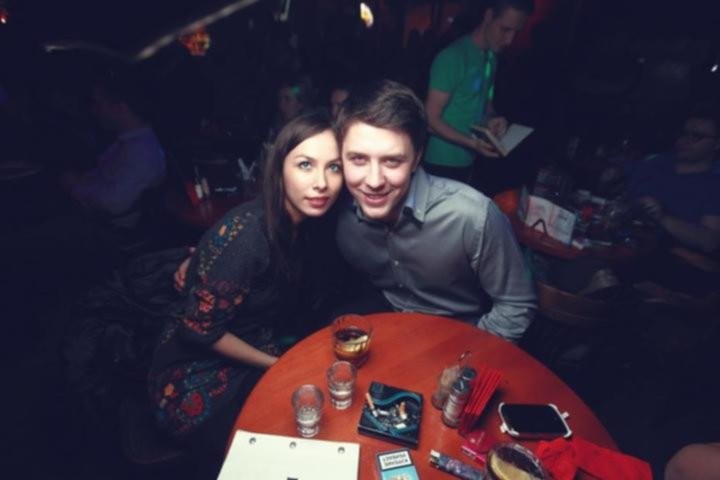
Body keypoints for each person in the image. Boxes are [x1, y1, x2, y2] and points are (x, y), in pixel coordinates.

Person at [147, 111, 343, 477]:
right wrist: (278, 364)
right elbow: (198, 331)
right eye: (305, 165)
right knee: (278, 455)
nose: (322, 183)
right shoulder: (250, 236)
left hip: (256, 348)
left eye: (334, 168)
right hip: (193, 377)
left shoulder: (306, 227)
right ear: (278, 168)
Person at [334, 80, 536, 342]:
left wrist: (469, 355)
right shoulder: (337, 212)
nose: (374, 181)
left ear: (416, 158)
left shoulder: (471, 216)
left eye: (392, 161)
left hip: (457, 340)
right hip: (383, 327)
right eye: (358, 159)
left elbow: (517, 305)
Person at [424, 0, 534, 183]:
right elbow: (430, 118)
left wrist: (493, 119)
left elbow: (485, 105)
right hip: (440, 164)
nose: (510, 40)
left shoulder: (491, 58)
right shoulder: (452, 57)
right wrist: (471, 143)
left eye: (515, 32)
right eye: (505, 29)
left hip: (469, 162)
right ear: (488, 16)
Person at [624, 111, 720, 294]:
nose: (684, 140)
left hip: (665, 264)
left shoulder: (714, 187)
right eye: (683, 133)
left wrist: (663, 217)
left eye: (696, 136)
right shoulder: (655, 164)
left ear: (717, 144)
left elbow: (711, 241)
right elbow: (623, 196)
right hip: (620, 240)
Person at [61, 74, 166, 229]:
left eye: (99, 104)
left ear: (121, 108)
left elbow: (114, 203)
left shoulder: (142, 152)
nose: (95, 111)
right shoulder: (129, 142)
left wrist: (77, 186)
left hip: (109, 231)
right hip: (97, 221)